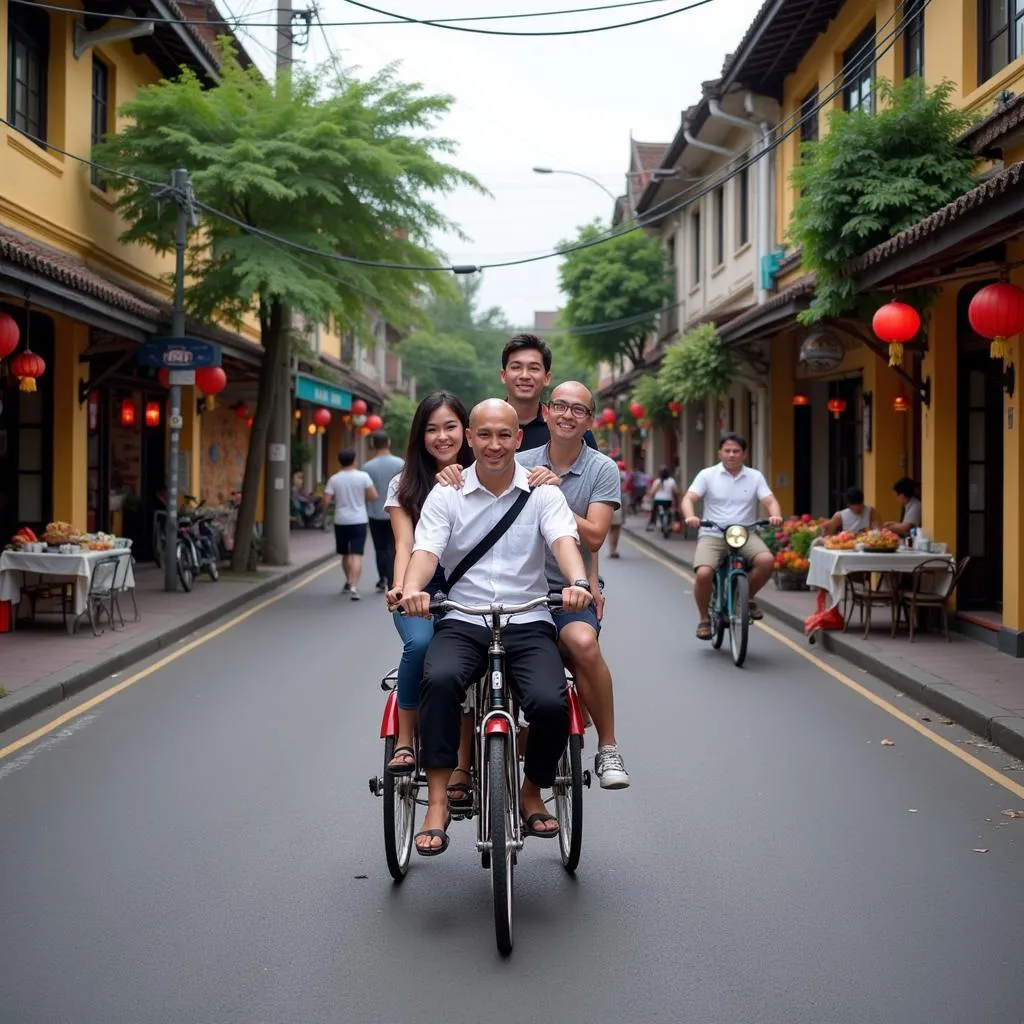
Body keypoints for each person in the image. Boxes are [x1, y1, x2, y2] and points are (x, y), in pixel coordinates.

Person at [398, 400, 593, 856]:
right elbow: (426, 550)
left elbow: (564, 541)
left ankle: (531, 789)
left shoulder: (544, 493)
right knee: (440, 679)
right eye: (483, 435)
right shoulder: (446, 493)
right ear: (469, 439)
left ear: (519, 439)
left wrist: (578, 582)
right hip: (464, 617)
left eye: (504, 435)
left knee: (550, 702)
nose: (494, 444)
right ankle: (438, 800)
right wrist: (412, 589)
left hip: (527, 618)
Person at [517, 382, 630, 789]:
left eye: (578, 410)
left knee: (582, 643)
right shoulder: (518, 459)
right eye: (560, 406)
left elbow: (596, 536)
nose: (567, 415)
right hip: (518, 587)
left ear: (590, 420)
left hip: (570, 588)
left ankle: (609, 747)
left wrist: (555, 492)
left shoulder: (601, 468)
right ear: (546, 412)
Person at [382, 393, 473, 777]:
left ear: (466, 432)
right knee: (419, 643)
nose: (442, 437)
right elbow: (405, 543)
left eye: (450, 426)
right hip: (420, 583)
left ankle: (464, 767)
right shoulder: (403, 484)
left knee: (477, 666)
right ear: (420, 436)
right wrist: (404, 588)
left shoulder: (485, 474)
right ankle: (405, 741)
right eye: (431, 429)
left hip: (470, 586)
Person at [681, 433, 783, 641]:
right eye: (727, 451)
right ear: (719, 453)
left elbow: (770, 499)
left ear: (744, 454)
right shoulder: (707, 475)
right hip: (714, 533)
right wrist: (691, 516)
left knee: (766, 561)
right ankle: (704, 618)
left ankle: (746, 597)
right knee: (703, 574)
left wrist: (775, 515)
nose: (731, 455)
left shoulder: (754, 476)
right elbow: (689, 498)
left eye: (736, 451)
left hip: (745, 533)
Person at [500, 333, 598, 452]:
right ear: (503, 375)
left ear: (547, 377)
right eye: (516, 367)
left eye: (534, 368)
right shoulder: (482, 423)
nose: (524, 376)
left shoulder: (570, 427)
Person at [323, 449, 377, 600]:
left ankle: (348, 581)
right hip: (359, 519)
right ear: (354, 460)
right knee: (356, 554)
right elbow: (373, 495)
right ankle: (354, 586)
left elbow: (326, 501)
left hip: (341, 520)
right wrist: (361, 499)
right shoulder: (363, 476)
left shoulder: (334, 479)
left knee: (345, 554)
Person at [363, 431, 405, 593]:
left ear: (373, 444)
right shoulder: (400, 463)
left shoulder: (367, 467)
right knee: (395, 547)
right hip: (397, 512)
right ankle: (393, 577)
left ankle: (382, 578)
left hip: (375, 514)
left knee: (380, 548)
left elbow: (366, 493)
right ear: (388, 442)